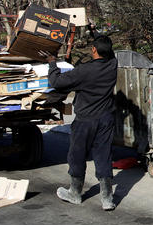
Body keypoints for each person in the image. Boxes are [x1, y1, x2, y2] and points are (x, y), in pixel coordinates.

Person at [48, 36, 119, 211]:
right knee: (104, 155)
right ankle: (107, 199)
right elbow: (110, 53)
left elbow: (56, 82)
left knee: (77, 155)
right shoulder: (113, 65)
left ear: (94, 50)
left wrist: (52, 63)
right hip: (105, 119)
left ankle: (75, 193)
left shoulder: (84, 71)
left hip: (85, 121)